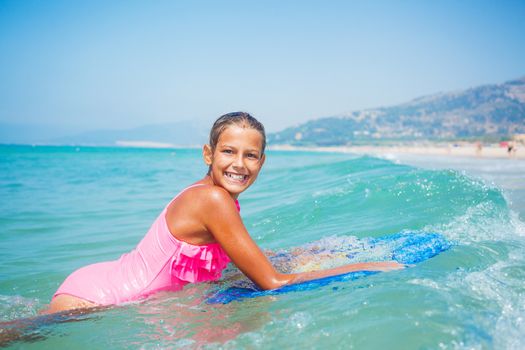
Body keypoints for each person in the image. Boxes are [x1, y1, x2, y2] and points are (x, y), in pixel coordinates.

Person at [45, 112, 404, 314]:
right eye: (229, 152)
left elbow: (234, 264)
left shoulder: (218, 197)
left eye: (250, 155)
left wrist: (304, 255)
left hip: (103, 282)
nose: (239, 164)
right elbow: (271, 283)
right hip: (97, 297)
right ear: (208, 154)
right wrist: (364, 267)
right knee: (18, 336)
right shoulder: (213, 200)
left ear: (262, 162)